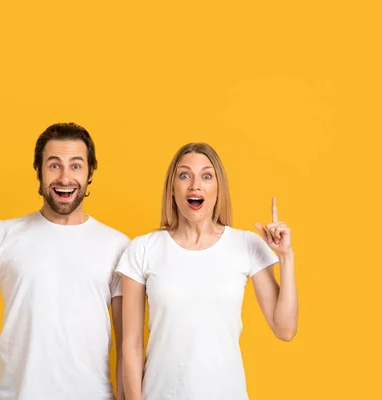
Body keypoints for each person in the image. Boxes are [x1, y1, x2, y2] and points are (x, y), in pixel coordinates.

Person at [0, 122, 129, 400]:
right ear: (39, 172)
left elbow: (128, 345)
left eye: (76, 166)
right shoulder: (1, 235)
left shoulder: (118, 246)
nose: (65, 177)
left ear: (90, 174)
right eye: (54, 165)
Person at [117, 142, 298, 400]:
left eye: (206, 175)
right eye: (184, 175)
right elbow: (131, 345)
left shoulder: (246, 245)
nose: (195, 185)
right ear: (172, 188)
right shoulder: (143, 249)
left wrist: (286, 257)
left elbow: (285, 329)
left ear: (218, 188)